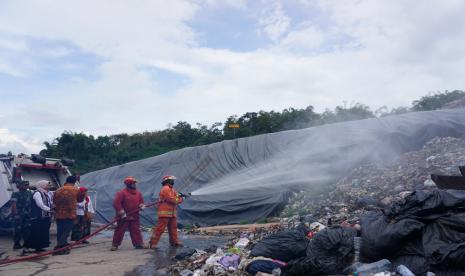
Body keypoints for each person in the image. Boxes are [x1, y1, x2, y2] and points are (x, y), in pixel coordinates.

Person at [148, 175, 185, 249]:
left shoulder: (172, 189)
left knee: (173, 228)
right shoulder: (165, 189)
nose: (173, 182)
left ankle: (174, 242)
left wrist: (180, 195)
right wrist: (182, 199)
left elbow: (176, 196)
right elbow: (173, 200)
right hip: (165, 213)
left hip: (172, 213)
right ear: (168, 181)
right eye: (172, 180)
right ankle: (153, 243)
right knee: (160, 229)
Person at [111, 176, 145, 251]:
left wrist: (141, 206)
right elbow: (116, 203)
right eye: (133, 183)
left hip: (134, 216)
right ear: (129, 184)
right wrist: (122, 213)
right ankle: (115, 245)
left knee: (136, 230)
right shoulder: (121, 193)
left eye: (135, 183)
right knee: (119, 231)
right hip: (123, 217)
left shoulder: (138, 194)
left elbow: (141, 202)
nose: (135, 185)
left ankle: (138, 244)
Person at [53, 175, 79, 255]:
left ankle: (61, 245)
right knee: (66, 232)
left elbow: (54, 201)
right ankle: (60, 248)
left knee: (60, 231)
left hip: (59, 214)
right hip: (69, 214)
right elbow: (80, 200)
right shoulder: (76, 190)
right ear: (74, 182)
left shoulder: (58, 190)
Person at [24, 180, 52, 252]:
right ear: (42, 185)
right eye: (47, 185)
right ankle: (27, 247)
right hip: (37, 216)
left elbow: (49, 203)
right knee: (35, 232)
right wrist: (50, 209)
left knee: (42, 232)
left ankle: (39, 247)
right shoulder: (37, 193)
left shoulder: (46, 193)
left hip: (44, 216)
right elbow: (40, 205)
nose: (49, 187)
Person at [10, 181, 32, 250]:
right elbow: (14, 204)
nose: (26, 186)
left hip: (27, 214)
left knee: (27, 229)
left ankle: (26, 243)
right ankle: (16, 244)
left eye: (27, 185)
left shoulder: (29, 193)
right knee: (18, 229)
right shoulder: (16, 194)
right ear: (20, 185)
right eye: (25, 185)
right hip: (19, 213)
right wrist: (16, 214)